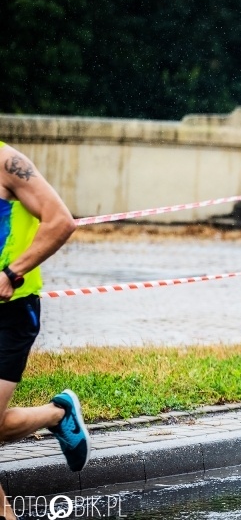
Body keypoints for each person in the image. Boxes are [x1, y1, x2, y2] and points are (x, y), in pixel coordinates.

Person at [0, 142, 86, 520]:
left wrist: (11, 273)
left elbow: (61, 221)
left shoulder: (8, 163)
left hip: (11, 312)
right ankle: (57, 415)